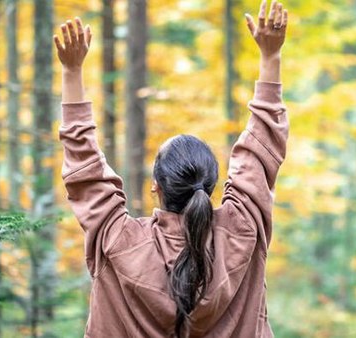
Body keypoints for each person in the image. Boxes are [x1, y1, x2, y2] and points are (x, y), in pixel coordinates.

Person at [54, 0, 288, 336]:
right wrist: (271, 57)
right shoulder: (242, 230)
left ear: (155, 186)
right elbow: (261, 150)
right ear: (212, 186)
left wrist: (72, 71)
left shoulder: (118, 240)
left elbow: (84, 167)